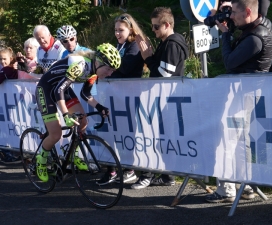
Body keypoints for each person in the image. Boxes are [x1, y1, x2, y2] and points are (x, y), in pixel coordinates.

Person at [205, 0, 272, 203]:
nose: (231, 17)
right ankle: (245, 186)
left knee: (228, 141)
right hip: (243, 96)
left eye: (234, 12)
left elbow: (230, 62)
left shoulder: (256, 37)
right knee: (238, 143)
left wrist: (225, 34)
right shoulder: (252, 29)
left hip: (243, 98)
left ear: (247, 12)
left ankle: (227, 189)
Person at [34, 43, 121, 182]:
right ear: (99, 61)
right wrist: (65, 114)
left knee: (83, 121)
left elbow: (86, 94)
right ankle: (41, 160)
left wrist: (100, 107)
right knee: (56, 134)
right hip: (46, 89)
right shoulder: (80, 65)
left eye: (112, 71)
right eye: (109, 69)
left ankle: (73, 156)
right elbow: (58, 91)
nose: (110, 73)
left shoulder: (93, 71)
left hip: (62, 89)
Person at [130, 7, 189, 189]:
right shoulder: (167, 42)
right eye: (152, 27)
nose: (154, 30)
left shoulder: (172, 44)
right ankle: (166, 175)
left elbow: (164, 73)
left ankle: (148, 175)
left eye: (156, 27)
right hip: (164, 99)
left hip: (167, 100)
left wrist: (148, 57)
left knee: (154, 137)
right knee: (160, 138)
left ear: (167, 24)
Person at [96, 13, 146, 186]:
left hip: (130, 95)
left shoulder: (134, 46)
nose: (117, 33)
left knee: (127, 134)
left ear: (130, 29)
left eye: (121, 30)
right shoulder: (119, 45)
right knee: (113, 133)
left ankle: (130, 169)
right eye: (116, 30)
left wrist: (106, 65)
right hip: (114, 95)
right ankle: (113, 168)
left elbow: (124, 68)